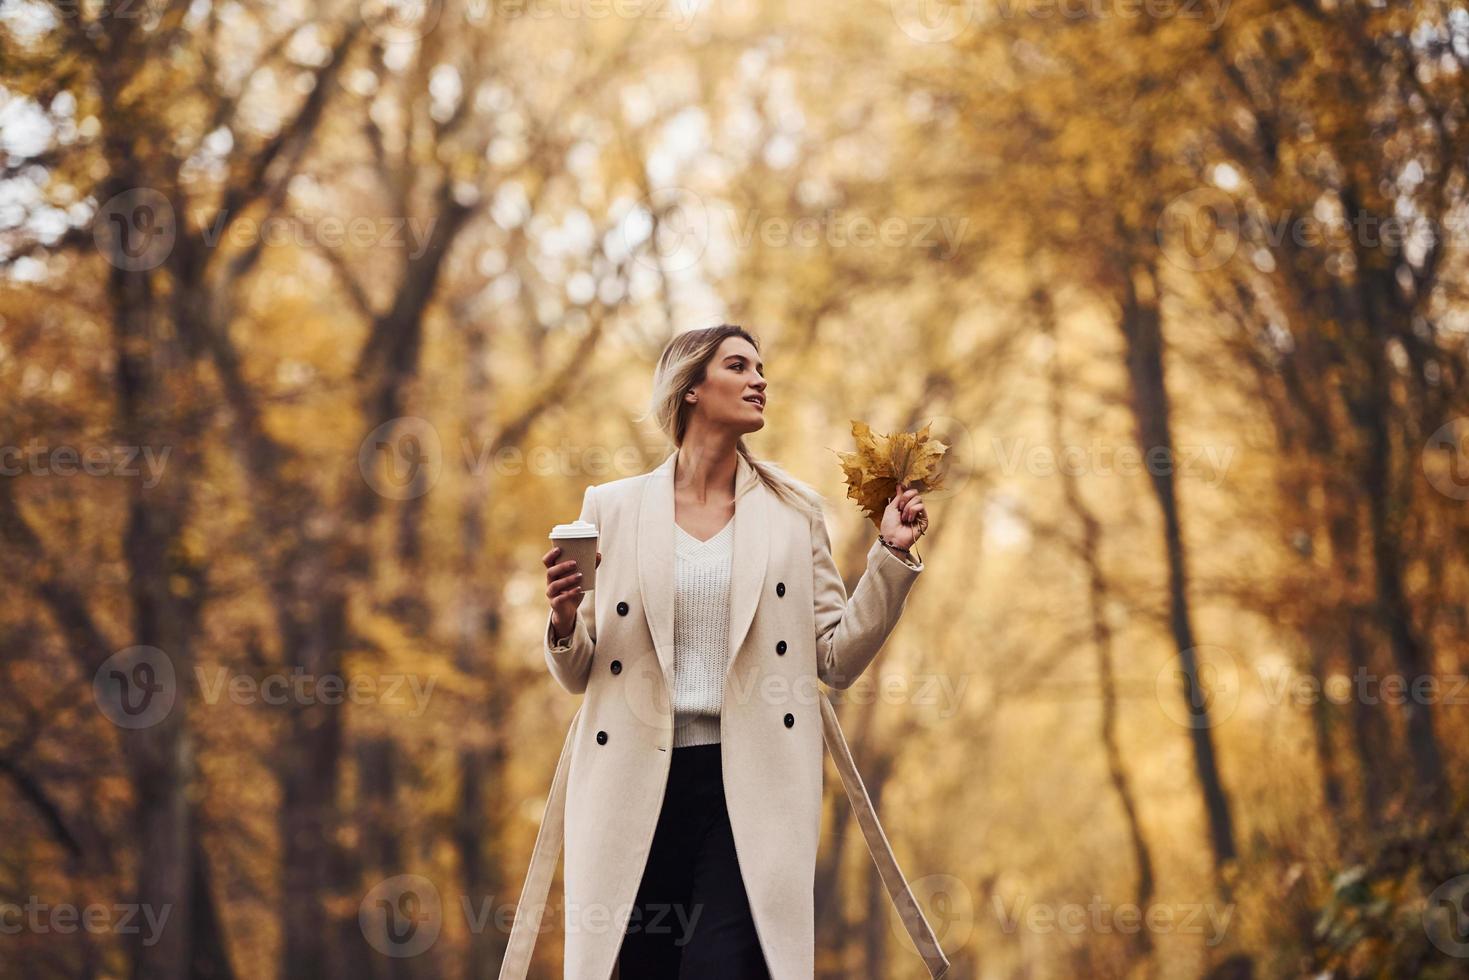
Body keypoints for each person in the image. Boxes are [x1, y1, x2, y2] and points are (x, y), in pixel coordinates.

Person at [502, 324, 947, 980]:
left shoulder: (793, 512)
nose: (758, 379)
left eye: (761, 367)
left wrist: (889, 556)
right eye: (738, 366)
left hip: (753, 783)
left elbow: (835, 659)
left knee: (725, 966)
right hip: (631, 782)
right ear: (690, 390)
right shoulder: (611, 508)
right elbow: (577, 674)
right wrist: (564, 618)